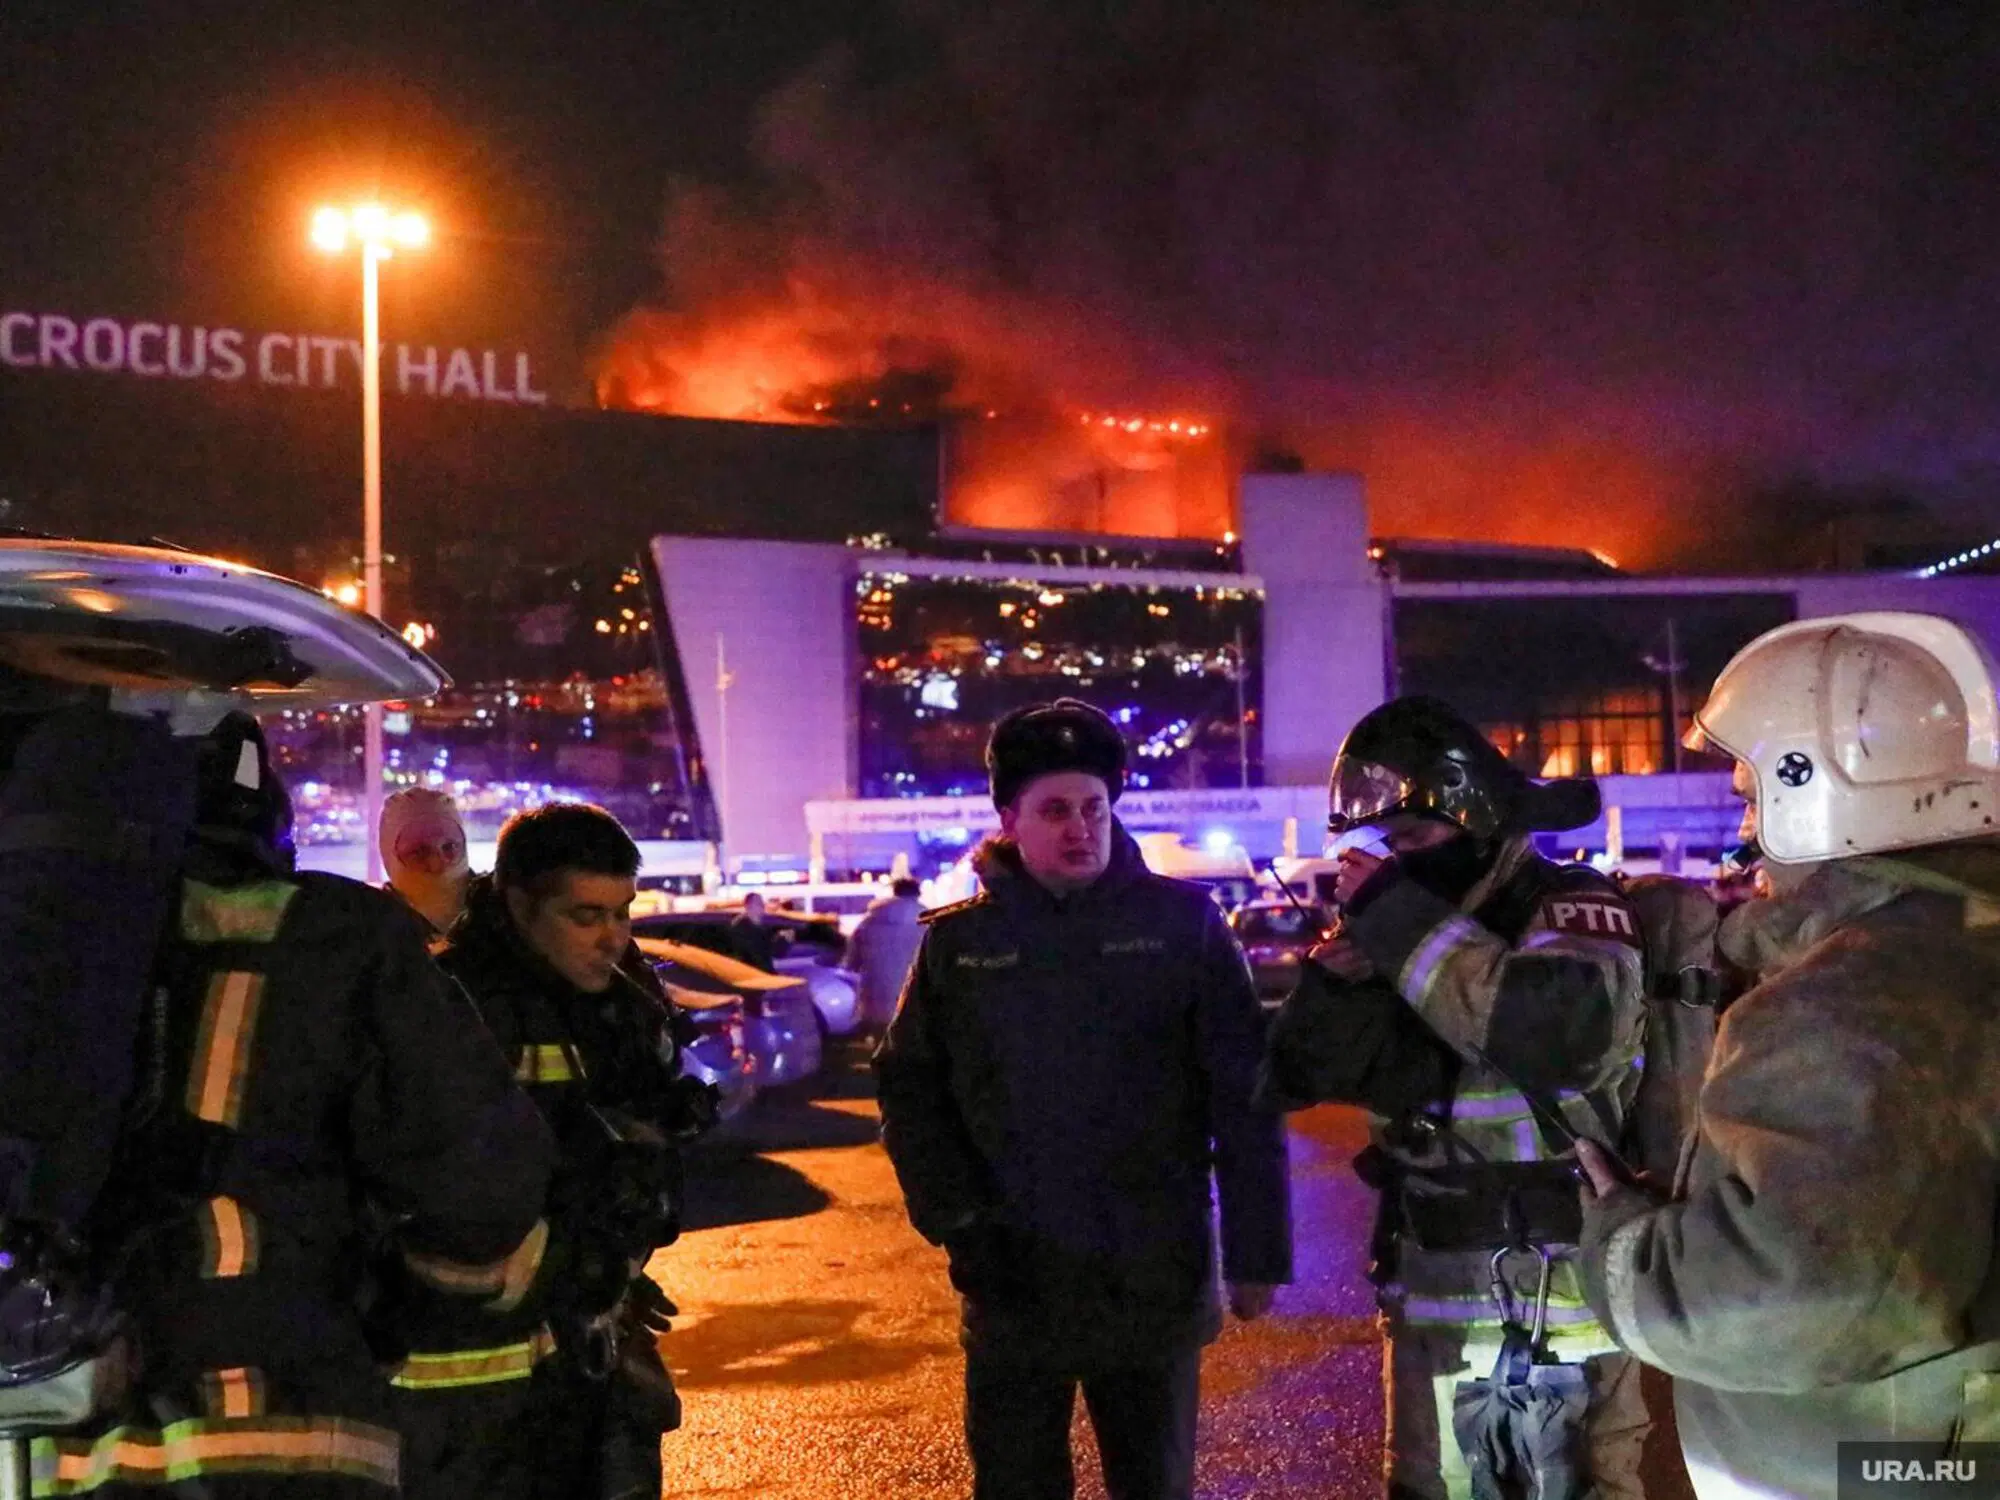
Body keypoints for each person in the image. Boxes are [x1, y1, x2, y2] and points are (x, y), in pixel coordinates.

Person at [37, 711, 556, 1497]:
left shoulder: (59, 944)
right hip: (295, 1425)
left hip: (70, 1437)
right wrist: (397, 1306)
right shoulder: (345, 937)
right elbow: (480, 1187)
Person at [1577, 612, 2000, 1500]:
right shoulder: (1968, 946)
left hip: (1879, 1468)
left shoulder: (1851, 999)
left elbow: (1792, 1296)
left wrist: (1627, 1245)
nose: (1745, 828)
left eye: (1752, 792)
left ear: (1815, 788)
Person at [875, 698, 1292, 1500]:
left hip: (1151, 1276)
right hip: (1013, 1277)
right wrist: (958, 1222)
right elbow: (911, 1094)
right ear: (1010, 819)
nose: (1080, 828)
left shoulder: (1183, 926)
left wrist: (1255, 1254)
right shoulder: (960, 945)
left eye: (1095, 808)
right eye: (1056, 810)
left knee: (1154, 1483)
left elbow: (1246, 1097)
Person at [1261, 695, 1652, 1500]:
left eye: (1415, 840)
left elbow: (1563, 1039)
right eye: (1385, 846)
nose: (1397, 862)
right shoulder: (1410, 931)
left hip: (1565, 1299)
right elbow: (1294, 1078)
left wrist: (1397, 924)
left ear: (1474, 819)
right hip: (1434, 1301)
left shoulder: (1568, 903)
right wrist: (1337, 986)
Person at [393, 802, 711, 1500]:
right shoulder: (452, 1009)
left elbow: (637, 1173)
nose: (611, 940)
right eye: (585, 916)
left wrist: (617, 1269)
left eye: (622, 913)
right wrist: (575, 1267)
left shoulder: (623, 1008)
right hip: (479, 1389)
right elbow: (441, 1203)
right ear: (517, 905)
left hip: (594, 1355)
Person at [380, 787, 472, 943]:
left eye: (449, 847)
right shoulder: (373, 930)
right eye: (419, 852)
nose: (437, 864)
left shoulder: (504, 914)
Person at [846, 876, 925, 1030]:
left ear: (894, 892)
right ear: (918, 894)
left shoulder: (870, 920)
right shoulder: (927, 921)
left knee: (879, 1040)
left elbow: (852, 960)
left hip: (875, 995)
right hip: (911, 996)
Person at [728, 890, 778, 972]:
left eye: (762, 903)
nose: (762, 906)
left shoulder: (763, 928)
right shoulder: (740, 929)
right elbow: (750, 956)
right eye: (758, 903)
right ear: (748, 906)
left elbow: (770, 953)